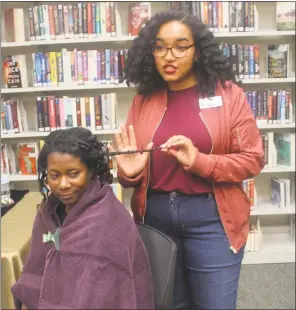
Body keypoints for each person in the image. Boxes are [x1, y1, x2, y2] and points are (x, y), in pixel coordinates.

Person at [109, 11, 265, 310]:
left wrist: (200, 161)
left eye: (181, 46)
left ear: (197, 51)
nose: (169, 55)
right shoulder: (144, 99)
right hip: (154, 216)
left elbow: (252, 160)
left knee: (214, 304)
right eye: (160, 47)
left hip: (212, 218)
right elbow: (133, 163)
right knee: (169, 304)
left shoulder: (228, 95)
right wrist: (128, 175)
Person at [11, 128, 154, 310]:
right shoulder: (48, 213)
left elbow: (104, 299)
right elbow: (33, 275)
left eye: (73, 174)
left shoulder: (108, 222)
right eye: (54, 175)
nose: (63, 185)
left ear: (91, 171)